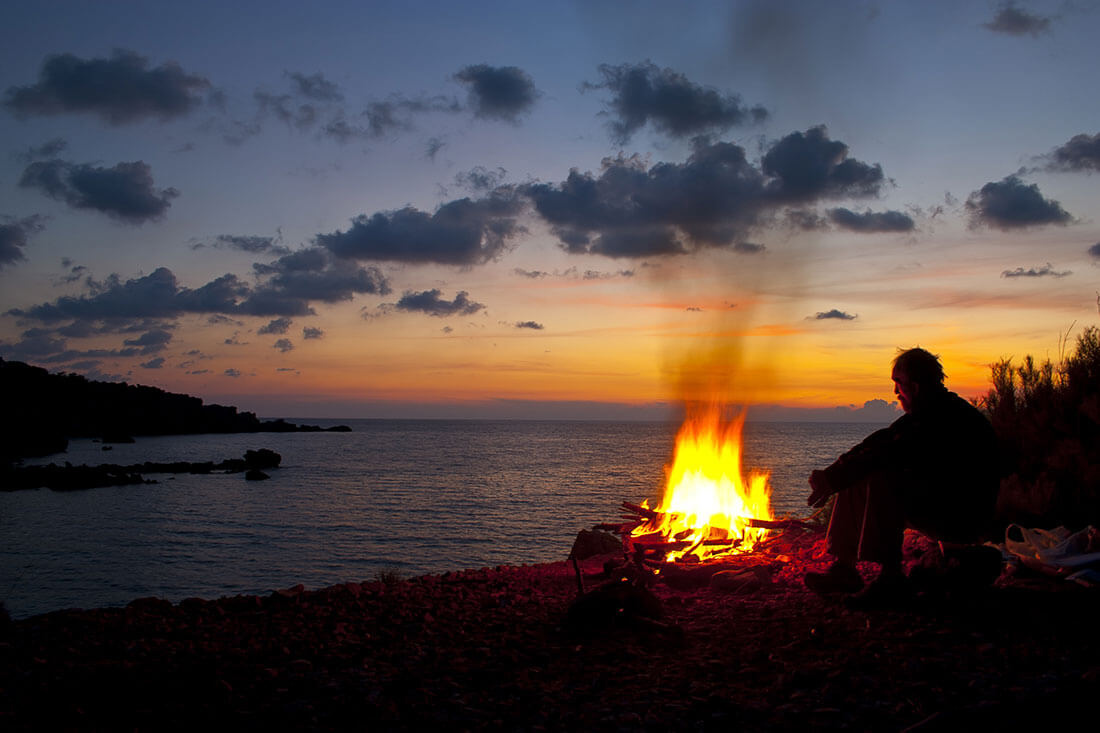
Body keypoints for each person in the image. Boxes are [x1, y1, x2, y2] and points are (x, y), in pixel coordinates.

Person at [803, 347, 999, 605]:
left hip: (963, 515)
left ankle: (891, 578)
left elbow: (888, 451)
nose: (896, 392)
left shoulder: (945, 418)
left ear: (915, 387)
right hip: (943, 501)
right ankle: (845, 569)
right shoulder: (929, 412)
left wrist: (835, 477)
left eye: (899, 384)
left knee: (883, 478)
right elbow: (880, 441)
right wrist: (834, 474)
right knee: (858, 475)